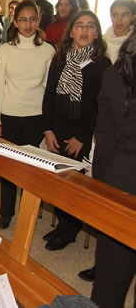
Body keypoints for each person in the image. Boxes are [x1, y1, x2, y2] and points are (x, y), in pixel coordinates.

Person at [41, 11, 111, 251]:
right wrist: (48, 129)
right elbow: (49, 95)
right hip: (57, 130)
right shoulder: (61, 58)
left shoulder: (102, 65)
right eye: (79, 26)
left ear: (96, 32)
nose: (84, 30)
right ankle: (62, 224)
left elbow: (99, 107)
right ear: (71, 31)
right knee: (58, 184)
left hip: (81, 134)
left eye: (90, 26)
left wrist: (82, 137)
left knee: (74, 187)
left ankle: (69, 231)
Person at [77, 0, 135, 283]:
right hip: (118, 162)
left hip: (124, 167)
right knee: (115, 255)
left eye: (126, 15)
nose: (120, 19)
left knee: (115, 269)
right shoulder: (117, 69)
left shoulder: (110, 67)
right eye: (116, 14)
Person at [0, 0, 55, 229]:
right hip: (9, 116)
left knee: (32, 171)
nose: (28, 24)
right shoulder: (6, 49)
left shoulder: (48, 50)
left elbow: (50, 90)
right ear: (15, 22)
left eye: (32, 19)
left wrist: (50, 123)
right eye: (23, 20)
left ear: (38, 21)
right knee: (9, 169)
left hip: (36, 117)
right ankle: (6, 212)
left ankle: (29, 213)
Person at [89, 28, 136, 308]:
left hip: (122, 177)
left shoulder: (116, 73)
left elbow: (104, 139)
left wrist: (102, 188)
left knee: (111, 276)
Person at [104, 0, 136, 64]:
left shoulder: (133, 44)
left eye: (124, 15)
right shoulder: (102, 42)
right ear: (110, 16)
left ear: (133, 16)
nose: (119, 20)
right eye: (115, 15)